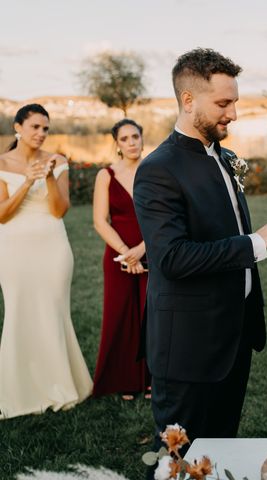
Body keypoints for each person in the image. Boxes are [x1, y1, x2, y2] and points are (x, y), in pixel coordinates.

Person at [133, 48, 267, 457]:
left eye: (234, 102)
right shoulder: (158, 169)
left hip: (234, 338)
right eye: (223, 103)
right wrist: (257, 242)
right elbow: (172, 259)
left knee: (220, 454)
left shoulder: (224, 157)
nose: (233, 113)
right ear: (188, 100)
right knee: (179, 461)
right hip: (189, 350)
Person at [0, 103, 92, 419]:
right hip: (13, 248)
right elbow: (1, 215)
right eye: (35, 127)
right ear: (18, 128)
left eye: (45, 128)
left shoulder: (59, 161)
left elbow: (58, 210)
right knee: (18, 313)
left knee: (54, 312)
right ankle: (19, 390)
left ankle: (60, 383)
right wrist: (27, 180)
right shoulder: (1, 163)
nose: (41, 133)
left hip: (53, 247)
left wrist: (49, 177)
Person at [92, 119, 150, 401]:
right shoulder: (106, 175)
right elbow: (99, 221)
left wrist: (142, 250)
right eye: (124, 138)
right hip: (117, 254)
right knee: (120, 315)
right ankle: (124, 378)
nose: (131, 142)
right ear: (116, 143)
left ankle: (152, 377)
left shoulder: (155, 170)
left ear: (142, 138)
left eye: (135, 136)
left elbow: (167, 216)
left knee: (152, 315)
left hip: (152, 249)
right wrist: (126, 253)